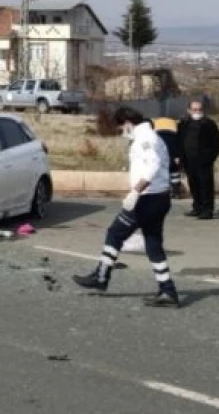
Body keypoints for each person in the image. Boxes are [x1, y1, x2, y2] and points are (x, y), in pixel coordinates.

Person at [72, 107, 180, 308]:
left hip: (147, 199)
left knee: (115, 233)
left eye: (121, 127)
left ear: (129, 122)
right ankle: (167, 290)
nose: (122, 131)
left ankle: (102, 276)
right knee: (153, 243)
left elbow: (154, 165)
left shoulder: (146, 138)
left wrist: (136, 191)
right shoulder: (151, 136)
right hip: (159, 197)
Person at [178, 100, 219, 219]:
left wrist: (210, 157)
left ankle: (207, 210)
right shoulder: (183, 123)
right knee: (193, 184)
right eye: (194, 110)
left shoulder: (209, 124)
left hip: (204, 160)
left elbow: (217, 144)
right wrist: (180, 157)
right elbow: (179, 140)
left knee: (206, 185)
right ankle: (197, 207)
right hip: (188, 160)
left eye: (199, 110)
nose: (197, 112)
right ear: (189, 110)